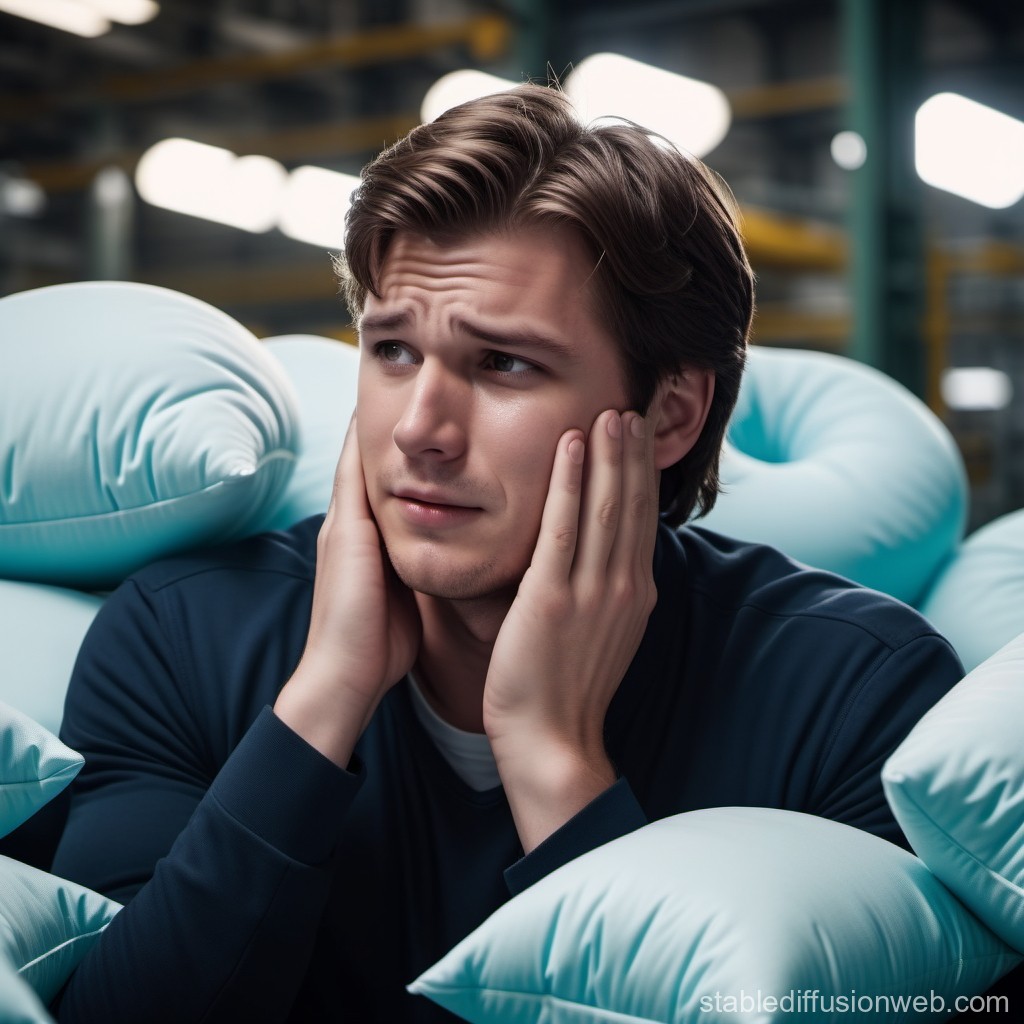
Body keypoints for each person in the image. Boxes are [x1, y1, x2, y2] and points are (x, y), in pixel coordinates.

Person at [51, 84, 962, 1022]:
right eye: (394, 351)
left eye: (504, 365)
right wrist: (321, 703)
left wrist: (555, 761)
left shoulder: (854, 696)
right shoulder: (181, 635)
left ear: (671, 414)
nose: (419, 430)